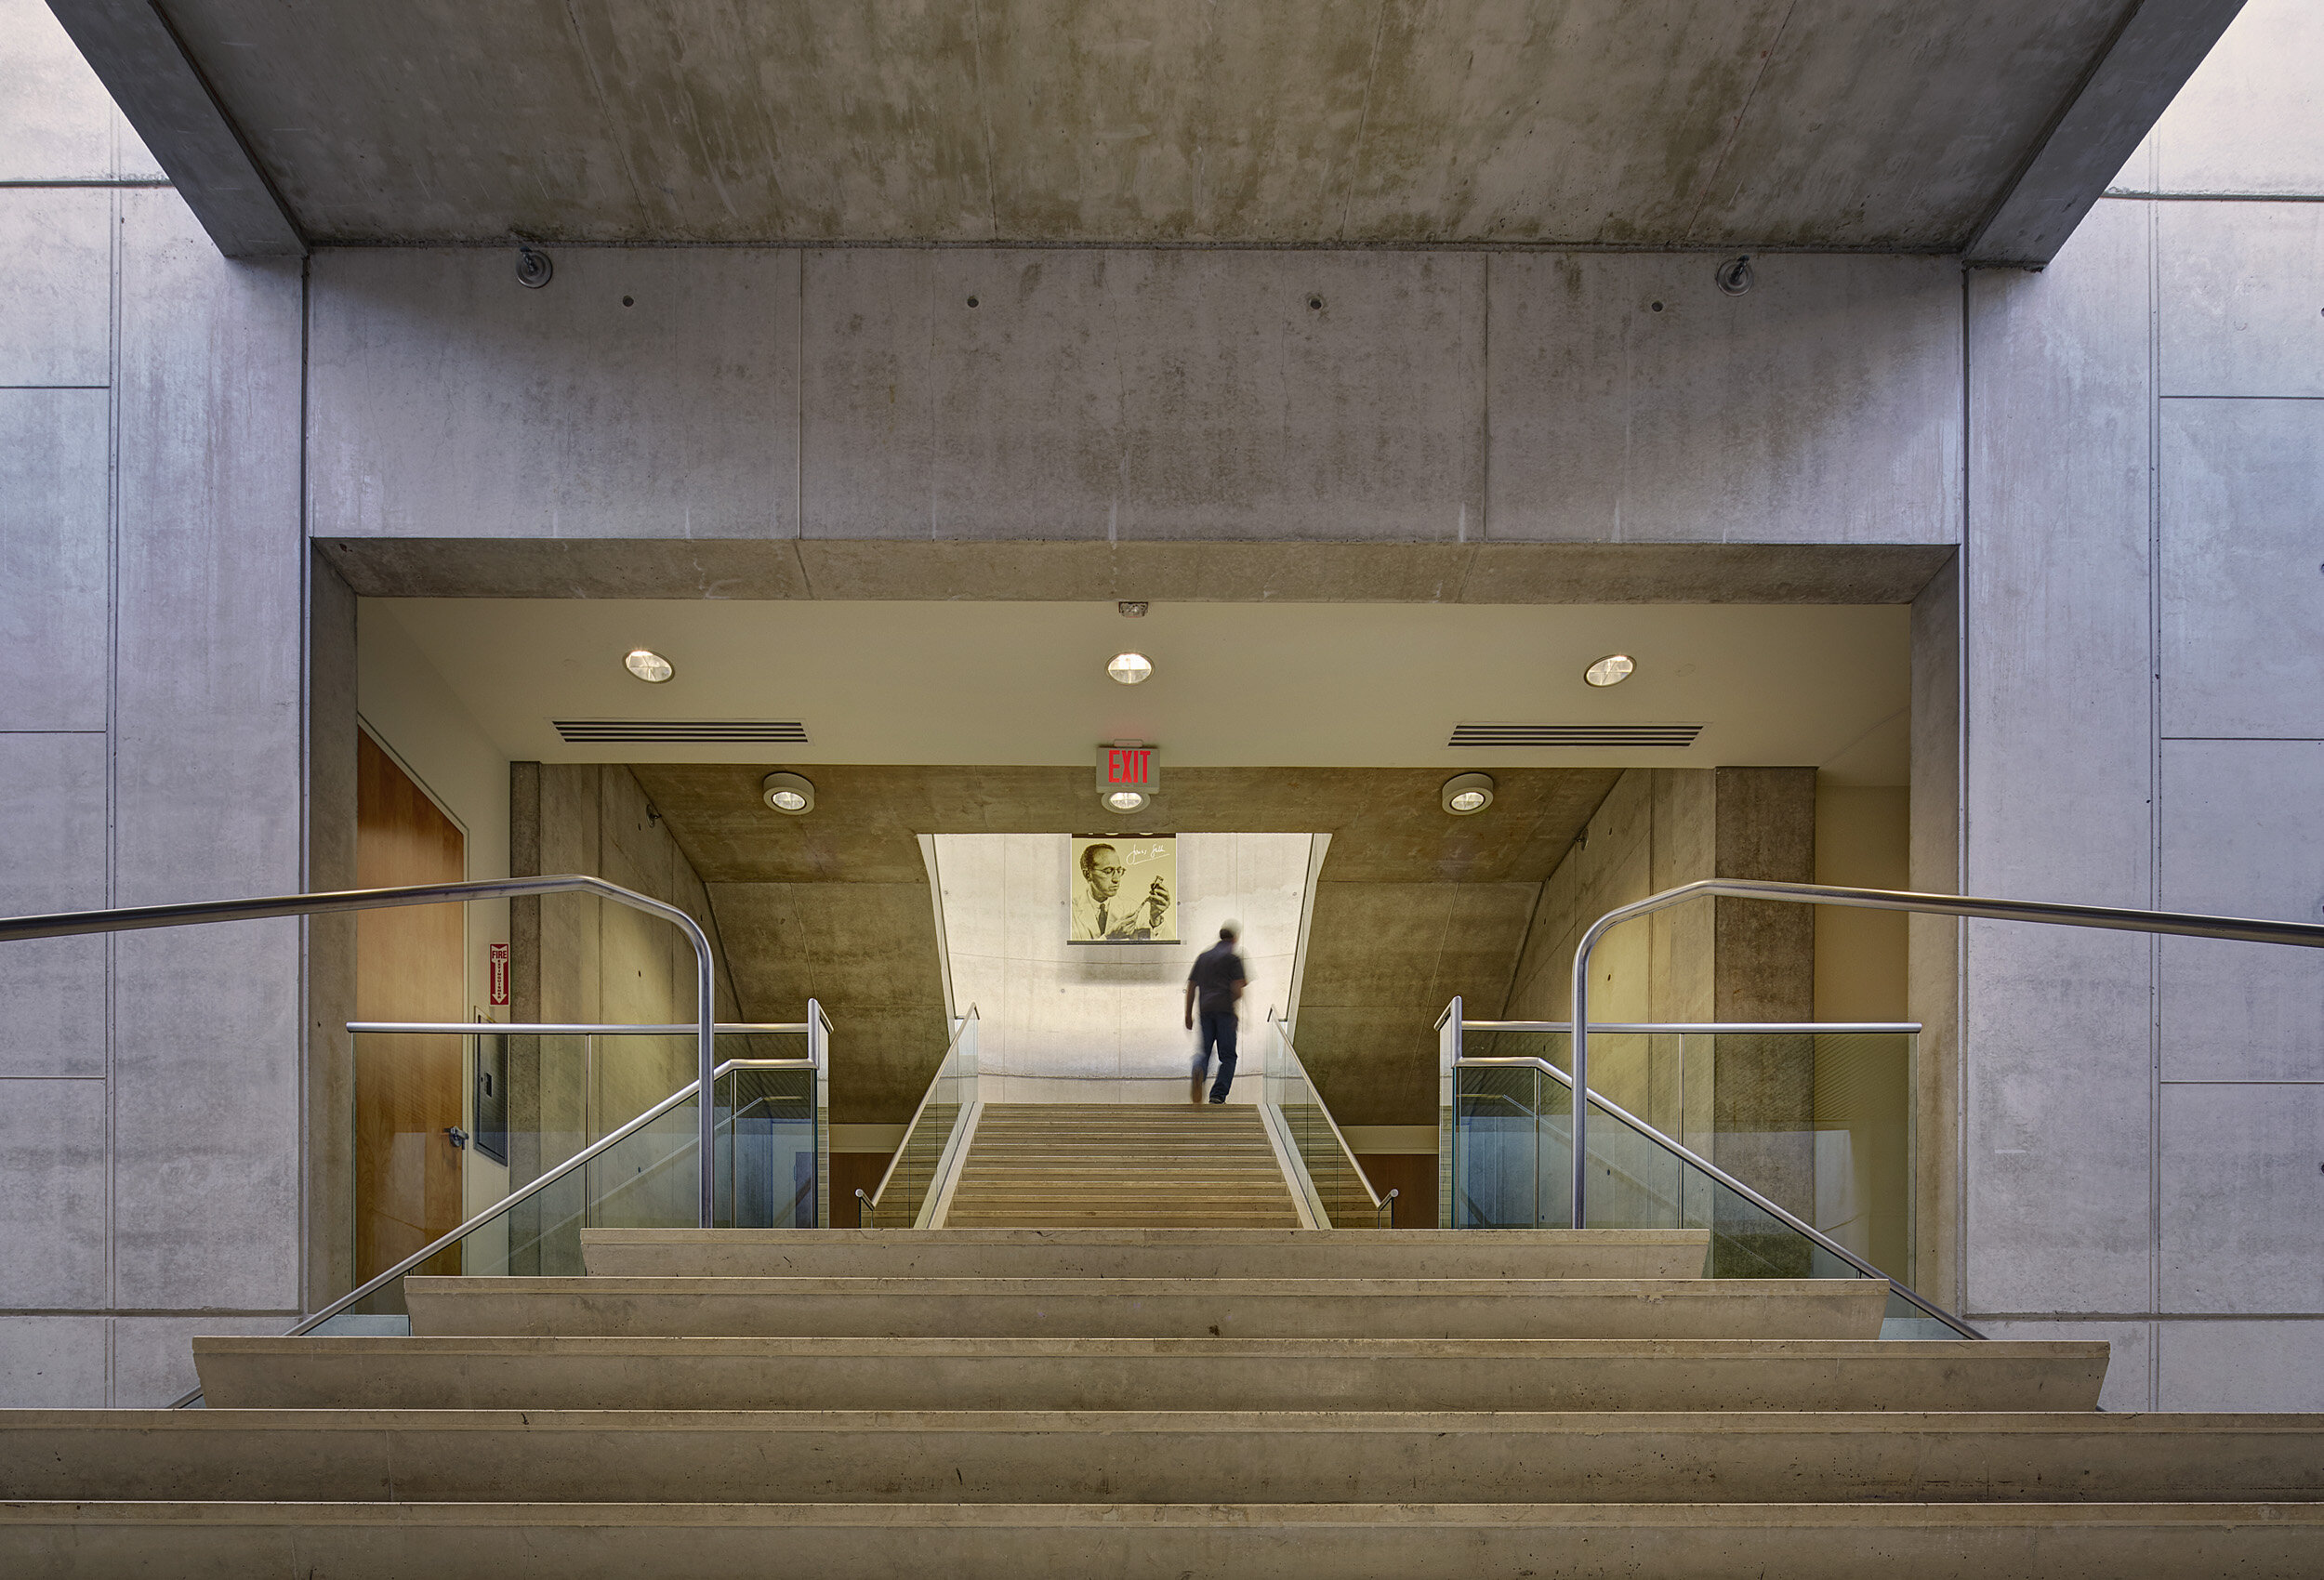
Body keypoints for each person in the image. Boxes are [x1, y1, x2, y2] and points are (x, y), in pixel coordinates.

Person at [1184, 922, 1248, 1104]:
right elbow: (1238, 987)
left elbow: (1191, 987)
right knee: (1228, 1056)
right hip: (1225, 1011)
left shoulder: (1203, 957)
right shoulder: (1233, 958)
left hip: (1205, 1010)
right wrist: (1235, 1008)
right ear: (1235, 938)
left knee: (1204, 1051)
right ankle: (1217, 1095)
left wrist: (1188, 1014)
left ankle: (1198, 1070)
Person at [1072, 841, 1170, 941]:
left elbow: (1155, 950)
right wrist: (1110, 938)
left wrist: (1155, 919)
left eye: (1119, 871)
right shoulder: (1070, 912)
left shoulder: (1131, 907)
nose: (1116, 879)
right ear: (1087, 874)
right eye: (1108, 871)